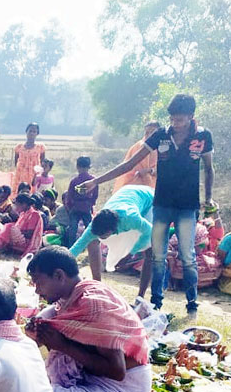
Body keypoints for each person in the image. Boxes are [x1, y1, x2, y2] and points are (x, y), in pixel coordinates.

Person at [78, 94, 215, 314]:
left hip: (188, 206)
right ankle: (156, 302)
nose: (175, 123)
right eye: (172, 118)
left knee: (188, 256)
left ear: (191, 116)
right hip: (161, 203)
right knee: (157, 255)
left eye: (180, 119)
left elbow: (208, 168)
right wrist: (96, 181)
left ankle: (192, 304)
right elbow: (130, 164)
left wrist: (207, 198)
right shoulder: (161, 136)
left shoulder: (203, 136)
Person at [26, 248, 152, 392]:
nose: (37, 290)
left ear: (59, 275)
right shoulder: (72, 296)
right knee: (47, 317)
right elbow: (54, 320)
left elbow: (117, 371)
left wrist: (62, 345)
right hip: (92, 379)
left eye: (38, 282)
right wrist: (42, 330)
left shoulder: (94, 304)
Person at [68, 184, 154, 282]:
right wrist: (59, 262)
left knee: (149, 247)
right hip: (125, 194)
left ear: (109, 231)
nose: (98, 236)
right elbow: (77, 247)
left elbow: (150, 232)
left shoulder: (131, 218)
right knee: (91, 241)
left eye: (101, 235)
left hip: (149, 200)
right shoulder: (95, 226)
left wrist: (129, 255)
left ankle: (142, 294)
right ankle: (97, 282)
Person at [113, 121, 160, 192]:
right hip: (134, 186)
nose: (149, 135)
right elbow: (141, 172)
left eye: (153, 133)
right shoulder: (141, 146)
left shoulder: (163, 147)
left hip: (154, 186)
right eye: (147, 133)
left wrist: (151, 171)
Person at [62, 156, 98, 247]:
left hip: (76, 207)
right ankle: (92, 246)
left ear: (77, 167)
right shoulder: (93, 180)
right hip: (87, 206)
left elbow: (69, 196)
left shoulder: (74, 181)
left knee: (73, 229)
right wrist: (91, 204)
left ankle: (71, 247)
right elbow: (95, 195)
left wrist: (70, 207)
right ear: (88, 167)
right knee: (90, 229)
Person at [12, 123, 47, 192]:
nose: (32, 133)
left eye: (34, 132)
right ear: (26, 131)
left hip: (34, 176)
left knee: (32, 194)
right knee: (19, 193)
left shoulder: (40, 147)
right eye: (30, 131)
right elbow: (16, 161)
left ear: (37, 133)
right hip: (20, 175)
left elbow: (43, 163)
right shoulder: (19, 147)